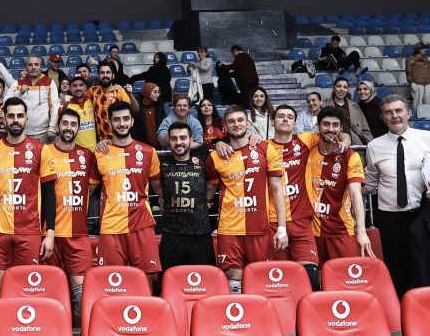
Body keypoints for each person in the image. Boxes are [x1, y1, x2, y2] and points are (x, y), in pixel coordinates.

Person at [364, 95, 430, 295]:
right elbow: (370, 184)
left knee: (429, 270)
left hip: (424, 215)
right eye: (388, 112)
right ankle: (404, 310)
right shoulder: (374, 147)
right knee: (398, 272)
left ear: (408, 113)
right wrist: (343, 191)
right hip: (391, 219)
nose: (394, 116)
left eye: (398, 110)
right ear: (382, 117)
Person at [205, 105, 287, 292]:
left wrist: (282, 228)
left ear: (248, 123)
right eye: (231, 121)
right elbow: (209, 189)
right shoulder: (216, 156)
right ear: (225, 126)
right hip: (229, 229)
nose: (236, 124)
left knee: (260, 279)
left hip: (259, 228)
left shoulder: (265, 148)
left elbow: (277, 190)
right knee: (234, 280)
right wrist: (218, 144)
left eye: (240, 120)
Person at [0, 97, 45, 298]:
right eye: (11, 116)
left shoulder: (40, 149)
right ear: (4, 119)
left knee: (27, 288)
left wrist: (49, 231)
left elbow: (49, 193)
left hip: (29, 228)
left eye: (19, 116)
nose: (15, 120)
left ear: (26, 119)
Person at [39, 108, 98, 323]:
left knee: (82, 294)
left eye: (73, 124)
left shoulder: (87, 155)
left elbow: (91, 188)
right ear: (57, 126)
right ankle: (53, 332)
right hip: (49, 234)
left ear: (79, 128)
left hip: (78, 234)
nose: (68, 128)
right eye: (65, 124)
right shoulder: (44, 152)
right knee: (51, 292)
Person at [95, 101, 162, 282]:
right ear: (110, 122)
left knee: (147, 279)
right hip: (111, 225)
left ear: (132, 121)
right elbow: (88, 189)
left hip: (141, 223)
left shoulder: (148, 152)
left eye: (126, 119)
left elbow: (159, 189)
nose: (122, 123)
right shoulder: (100, 153)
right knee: (112, 281)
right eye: (117, 120)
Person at [265, 104, 324, 288]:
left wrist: (345, 140)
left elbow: (335, 132)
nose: (285, 119)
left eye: (290, 117)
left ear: (296, 124)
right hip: (273, 221)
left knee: (310, 277)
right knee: (281, 280)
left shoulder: (305, 140)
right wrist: (220, 143)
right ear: (272, 121)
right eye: (280, 116)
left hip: (301, 221)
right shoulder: (262, 147)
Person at [305, 107, 374, 263]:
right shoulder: (307, 150)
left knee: (345, 274)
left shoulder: (350, 156)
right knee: (316, 276)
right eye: (326, 124)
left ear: (341, 128)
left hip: (341, 229)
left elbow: (356, 194)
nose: (331, 129)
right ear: (317, 126)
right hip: (311, 231)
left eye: (335, 125)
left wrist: (362, 231)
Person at [157, 121, 215, 270]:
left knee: (205, 279)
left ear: (191, 140)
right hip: (171, 235)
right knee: (169, 280)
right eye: (174, 138)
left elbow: (213, 183)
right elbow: (157, 188)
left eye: (183, 138)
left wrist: (205, 200)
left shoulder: (204, 160)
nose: (179, 142)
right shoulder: (162, 163)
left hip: (200, 233)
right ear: (169, 142)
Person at [0, 53, 59, 142]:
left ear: (41, 67)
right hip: (22, 132)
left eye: (36, 64)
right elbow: (6, 101)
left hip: (44, 133)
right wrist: (20, 92)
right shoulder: (18, 83)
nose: (33, 67)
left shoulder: (49, 83)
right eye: (30, 65)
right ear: (26, 67)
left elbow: (54, 107)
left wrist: (52, 128)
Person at [88, 61, 137, 143]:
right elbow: (79, 98)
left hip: (118, 141)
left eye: (108, 72)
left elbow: (134, 110)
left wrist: (130, 94)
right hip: (100, 143)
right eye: (102, 73)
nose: (105, 75)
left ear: (113, 76)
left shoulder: (119, 91)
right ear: (98, 76)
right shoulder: (92, 91)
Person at [324, 77, 373, 144]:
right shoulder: (324, 105)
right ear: (333, 88)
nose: (342, 89)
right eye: (339, 86)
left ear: (347, 90)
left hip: (355, 144)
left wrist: (370, 145)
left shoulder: (355, 106)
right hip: (332, 144)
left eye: (345, 87)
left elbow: (365, 129)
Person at [60, 74, 97, 151]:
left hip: (94, 148)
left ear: (85, 87)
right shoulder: (66, 106)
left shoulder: (91, 100)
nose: (78, 88)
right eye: (75, 86)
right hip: (76, 151)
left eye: (81, 85)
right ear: (70, 89)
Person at [405, 42, 430, 113]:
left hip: (428, 82)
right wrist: (411, 82)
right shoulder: (410, 57)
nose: (425, 50)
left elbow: (429, 69)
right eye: (424, 48)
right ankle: (417, 115)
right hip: (417, 82)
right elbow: (408, 71)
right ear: (419, 49)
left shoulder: (425, 57)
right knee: (418, 102)